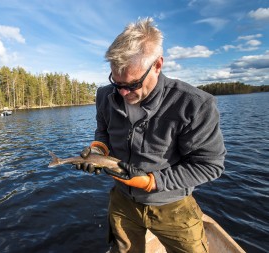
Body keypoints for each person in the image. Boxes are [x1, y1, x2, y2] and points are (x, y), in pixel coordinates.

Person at [76, 17, 226, 253]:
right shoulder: (104, 96)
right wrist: (97, 151)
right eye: (116, 83)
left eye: (133, 84)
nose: (123, 92)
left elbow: (210, 165)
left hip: (173, 205)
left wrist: (151, 182)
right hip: (122, 200)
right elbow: (102, 133)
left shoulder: (195, 104)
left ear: (157, 65)